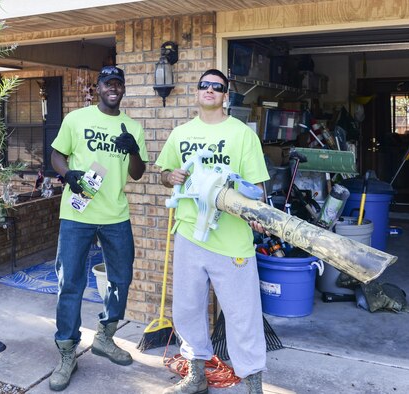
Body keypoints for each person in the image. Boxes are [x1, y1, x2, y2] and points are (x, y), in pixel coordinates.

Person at [155, 69, 269, 394]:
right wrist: (170, 177)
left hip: (232, 240)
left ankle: (253, 382)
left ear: (225, 96)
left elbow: (256, 184)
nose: (209, 90)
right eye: (204, 85)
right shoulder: (180, 133)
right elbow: (163, 173)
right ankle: (196, 374)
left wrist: (257, 215)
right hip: (190, 234)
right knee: (188, 308)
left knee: (242, 314)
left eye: (216, 87)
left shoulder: (242, 134)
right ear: (196, 92)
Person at [48, 65, 148, 391]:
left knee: (120, 278)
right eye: (108, 83)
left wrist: (133, 149)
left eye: (118, 84)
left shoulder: (132, 126)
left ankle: (105, 337)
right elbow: (56, 155)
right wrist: (68, 175)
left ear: (123, 89)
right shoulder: (76, 119)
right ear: (98, 87)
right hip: (77, 215)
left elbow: (137, 173)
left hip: (115, 215)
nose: (113, 88)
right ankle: (67, 351)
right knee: (70, 282)